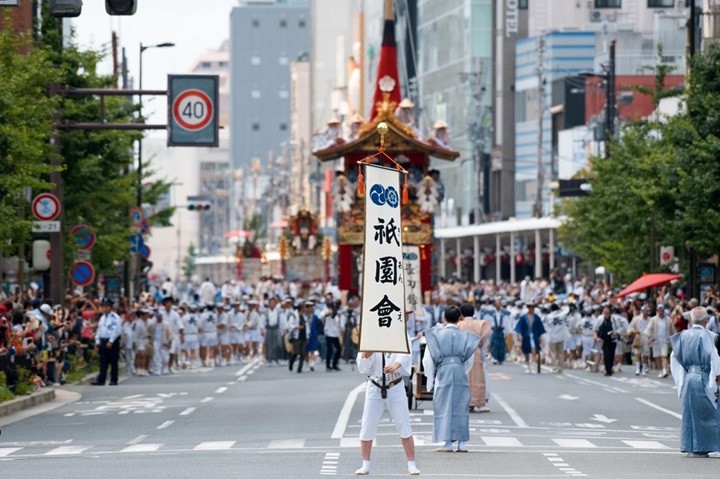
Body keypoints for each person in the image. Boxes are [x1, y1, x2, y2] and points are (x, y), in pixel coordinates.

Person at [422, 305, 480, 452]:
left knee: (443, 405)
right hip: (459, 371)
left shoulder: (435, 335)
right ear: (460, 318)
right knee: (461, 406)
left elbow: (428, 360)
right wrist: (462, 371)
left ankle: (447, 442)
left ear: (444, 318)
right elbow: (469, 360)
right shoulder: (466, 336)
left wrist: (431, 377)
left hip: (443, 372)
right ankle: (461, 443)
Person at [355, 349, 420, 476]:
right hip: (374, 385)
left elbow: (406, 353)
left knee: (404, 424)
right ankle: (365, 464)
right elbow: (362, 367)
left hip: (395, 384)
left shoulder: (400, 332)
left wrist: (395, 365)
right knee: (367, 425)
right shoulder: (370, 335)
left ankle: (411, 463)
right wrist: (367, 353)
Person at [669, 306, 720, 457]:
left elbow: (674, 358)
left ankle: (691, 446)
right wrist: (716, 379)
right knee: (710, 413)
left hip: (689, 376)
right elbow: (714, 359)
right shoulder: (710, 336)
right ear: (705, 320)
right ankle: (705, 446)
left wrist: (680, 380)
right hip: (704, 376)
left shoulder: (682, 336)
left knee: (690, 413)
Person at [458, 303, 491, 413]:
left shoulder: (459, 325)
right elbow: (484, 345)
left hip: (462, 354)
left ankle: (463, 403)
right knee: (477, 379)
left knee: (464, 379)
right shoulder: (482, 324)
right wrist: (483, 359)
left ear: (461, 313)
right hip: (476, 353)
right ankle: (477, 403)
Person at [92, 298, 121, 386]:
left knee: (113, 361)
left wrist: (111, 341)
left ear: (110, 307)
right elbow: (99, 330)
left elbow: (117, 330)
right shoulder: (102, 318)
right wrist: (97, 341)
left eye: (106, 306)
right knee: (103, 361)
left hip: (112, 341)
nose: (104, 308)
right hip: (103, 341)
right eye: (103, 307)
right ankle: (101, 380)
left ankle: (114, 380)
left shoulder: (115, 317)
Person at [515, 302, 546, 374]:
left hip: (534, 336)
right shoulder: (523, 318)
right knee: (526, 351)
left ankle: (533, 365)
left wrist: (540, 337)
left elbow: (540, 328)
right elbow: (519, 326)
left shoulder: (537, 318)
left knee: (534, 350)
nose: (531, 309)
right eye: (530, 307)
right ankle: (527, 364)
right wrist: (519, 334)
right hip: (526, 336)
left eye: (533, 307)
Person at [646, 304, 673, 378]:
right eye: (659, 310)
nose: (661, 311)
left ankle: (664, 370)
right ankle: (660, 370)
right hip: (656, 340)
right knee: (657, 356)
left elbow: (672, 330)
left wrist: (673, 338)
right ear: (657, 311)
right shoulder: (653, 319)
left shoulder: (668, 319)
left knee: (664, 356)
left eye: (662, 310)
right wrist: (650, 339)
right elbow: (649, 329)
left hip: (665, 340)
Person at [595, 306, 618, 377]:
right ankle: (607, 370)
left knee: (611, 354)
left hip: (613, 339)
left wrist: (616, 333)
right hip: (604, 339)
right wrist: (596, 337)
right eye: (604, 309)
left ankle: (610, 368)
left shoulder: (614, 318)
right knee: (606, 354)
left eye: (607, 309)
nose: (605, 311)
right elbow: (596, 328)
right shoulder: (600, 318)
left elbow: (619, 328)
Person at [287, 301, 310, 373]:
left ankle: (299, 368)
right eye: (303, 307)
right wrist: (297, 327)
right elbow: (290, 325)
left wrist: (308, 335)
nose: (305, 309)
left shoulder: (304, 316)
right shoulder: (294, 315)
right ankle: (291, 362)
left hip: (304, 336)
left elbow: (307, 326)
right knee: (296, 352)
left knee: (303, 353)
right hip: (296, 337)